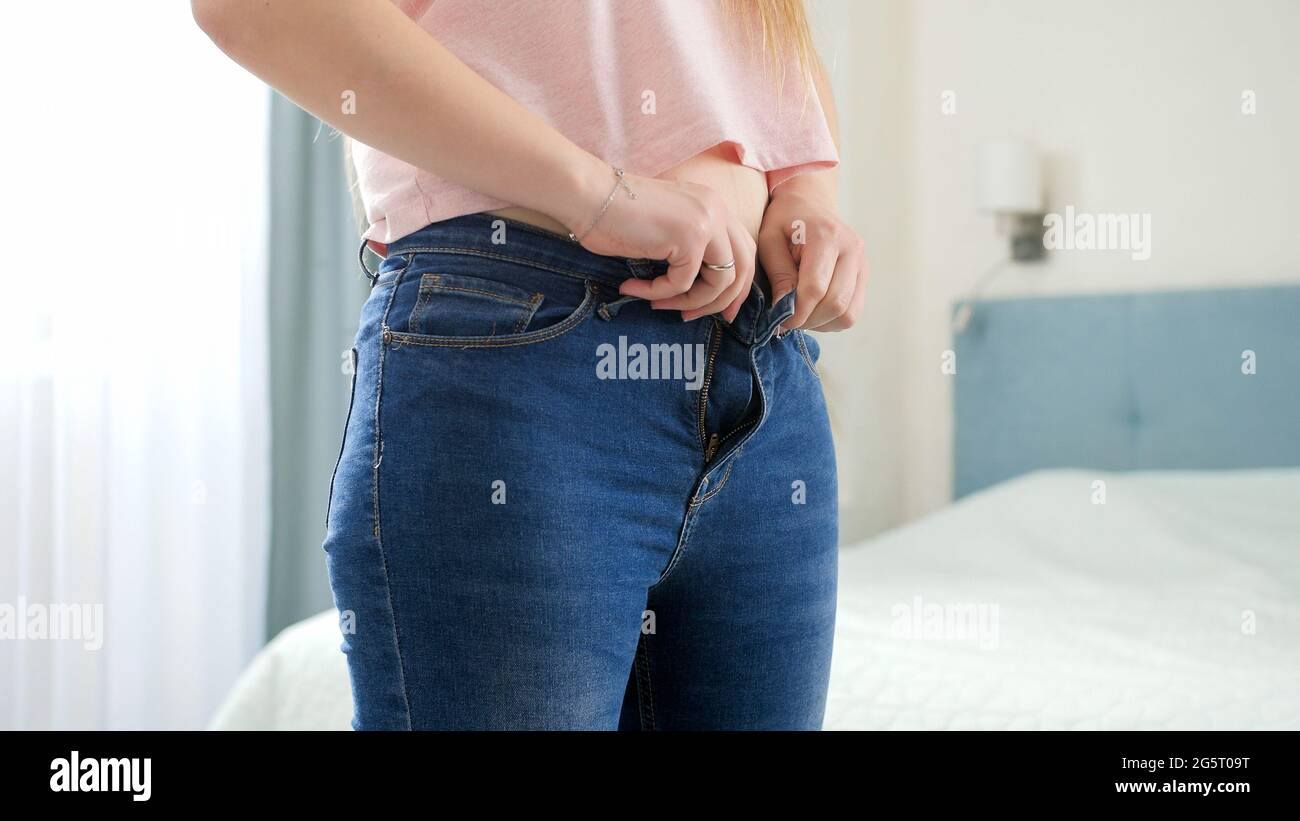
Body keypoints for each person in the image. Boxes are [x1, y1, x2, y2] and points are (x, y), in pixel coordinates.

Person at [194, 0, 868, 730]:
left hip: (762, 369)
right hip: (518, 353)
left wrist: (808, 191)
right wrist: (596, 193)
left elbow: (755, 36)